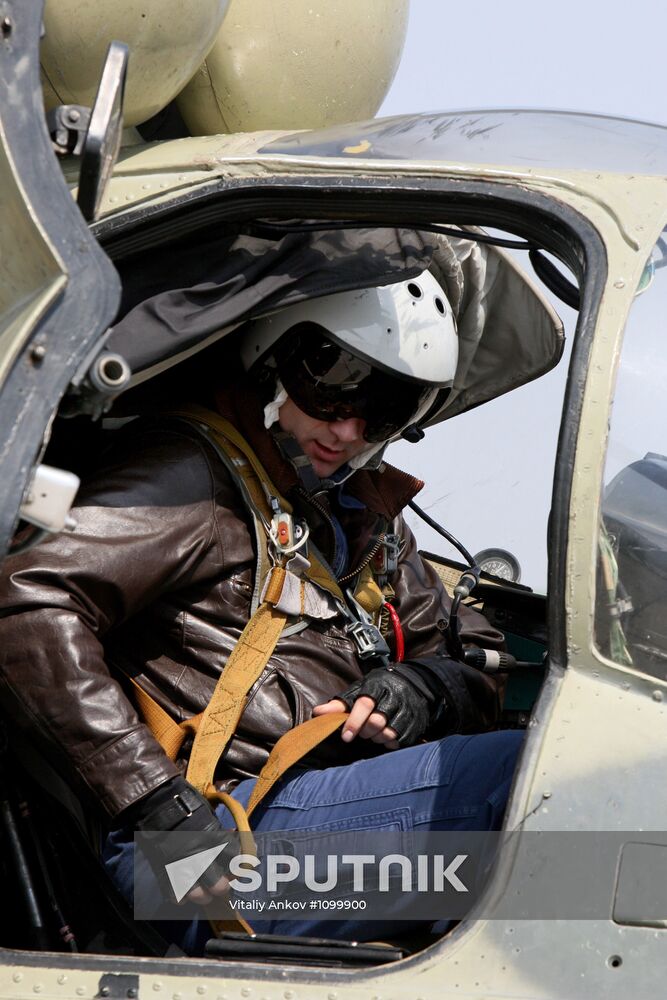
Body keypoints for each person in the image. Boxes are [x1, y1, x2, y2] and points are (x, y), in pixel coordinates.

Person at [0, 271, 522, 953]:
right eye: (334, 381)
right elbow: (25, 596)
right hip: (196, 855)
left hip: (303, 816)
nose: (346, 429)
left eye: (384, 409)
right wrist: (152, 801)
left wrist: (425, 689)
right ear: (274, 358)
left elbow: (470, 660)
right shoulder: (195, 472)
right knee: (526, 781)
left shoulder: (363, 517)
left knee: (552, 776)